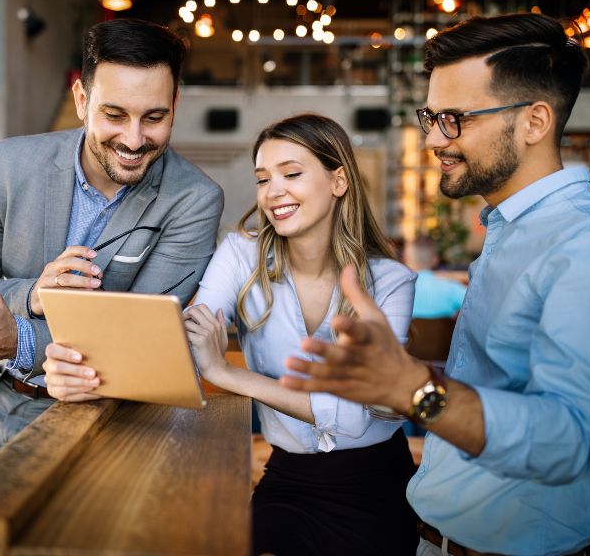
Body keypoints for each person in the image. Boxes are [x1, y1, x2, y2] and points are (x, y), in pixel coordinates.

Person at [281, 13, 590, 556]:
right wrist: (396, 376)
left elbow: (571, 439)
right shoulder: (510, 229)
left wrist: (417, 390)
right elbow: (505, 387)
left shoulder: (589, 244)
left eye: (455, 118)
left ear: (534, 122)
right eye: (432, 116)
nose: (434, 138)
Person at [0, 18, 223, 505]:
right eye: (115, 114)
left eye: (154, 117)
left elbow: (138, 335)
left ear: (175, 106)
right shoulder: (9, 163)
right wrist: (32, 297)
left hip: (90, 416)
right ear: (81, 100)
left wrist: (17, 338)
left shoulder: (194, 200)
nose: (133, 138)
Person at [177, 113, 418, 555]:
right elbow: (195, 331)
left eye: (291, 174)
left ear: (338, 180)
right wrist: (197, 348)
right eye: (263, 179)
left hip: (377, 486)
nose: (274, 192)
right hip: (288, 479)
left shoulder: (391, 282)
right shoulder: (239, 254)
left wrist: (228, 375)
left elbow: (350, 419)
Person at [402, 235, 466, 318]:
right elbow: (477, 306)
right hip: (445, 331)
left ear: (406, 259)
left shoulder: (397, 289)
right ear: (435, 259)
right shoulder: (452, 287)